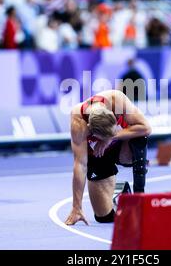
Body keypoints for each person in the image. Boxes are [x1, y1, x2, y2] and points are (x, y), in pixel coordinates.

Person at [65, 90, 152, 225]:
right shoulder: (78, 122)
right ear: (91, 130)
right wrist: (77, 207)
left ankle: (140, 198)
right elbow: (80, 164)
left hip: (122, 145)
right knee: (104, 217)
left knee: (140, 137)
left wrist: (111, 138)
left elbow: (146, 127)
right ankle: (121, 189)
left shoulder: (117, 100)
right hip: (98, 153)